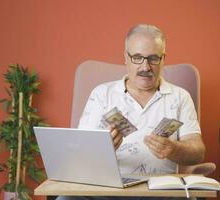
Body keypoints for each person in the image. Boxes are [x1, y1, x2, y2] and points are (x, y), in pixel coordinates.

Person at [57, 24, 205, 200]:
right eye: (137, 57)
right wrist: (104, 148)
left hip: (161, 192)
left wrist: (174, 149)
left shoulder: (180, 97)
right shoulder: (101, 94)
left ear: (163, 58)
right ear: (125, 58)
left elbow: (197, 152)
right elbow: (79, 154)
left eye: (153, 58)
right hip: (106, 191)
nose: (146, 66)